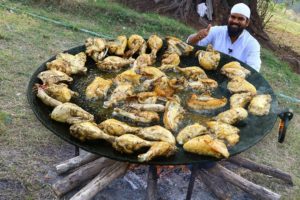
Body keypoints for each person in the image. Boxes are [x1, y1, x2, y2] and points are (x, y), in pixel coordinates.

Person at [187, 3, 261, 72]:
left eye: (240, 19)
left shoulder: (252, 44)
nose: (235, 21)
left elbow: (254, 70)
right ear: (229, 18)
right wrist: (197, 37)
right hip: (211, 71)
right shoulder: (217, 31)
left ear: (247, 23)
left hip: (235, 79)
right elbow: (189, 45)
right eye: (233, 17)